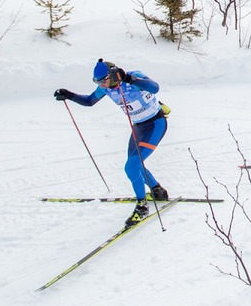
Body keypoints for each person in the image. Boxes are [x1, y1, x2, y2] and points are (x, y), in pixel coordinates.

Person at [54, 59, 171, 228]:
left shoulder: (133, 76)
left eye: (103, 80)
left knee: (131, 166)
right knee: (134, 165)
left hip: (155, 124)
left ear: (113, 75)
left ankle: (142, 205)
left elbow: (155, 88)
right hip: (138, 127)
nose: (101, 85)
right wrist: (69, 95)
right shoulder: (106, 89)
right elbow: (89, 101)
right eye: (97, 82)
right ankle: (157, 191)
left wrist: (129, 79)